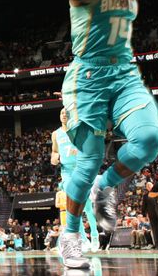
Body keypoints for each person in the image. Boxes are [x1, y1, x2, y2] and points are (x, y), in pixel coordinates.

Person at [57, 0, 158, 270]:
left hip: (124, 72)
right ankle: (70, 236)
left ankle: (107, 185)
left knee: (148, 138)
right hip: (87, 75)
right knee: (87, 161)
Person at [51, 108, 99, 253]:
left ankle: (95, 236)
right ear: (59, 117)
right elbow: (54, 151)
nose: (64, 115)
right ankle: (83, 239)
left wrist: (79, 150)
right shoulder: (56, 134)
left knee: (88, 207)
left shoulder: (77, 129)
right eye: (62, 113)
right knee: (73, 208)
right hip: (67, 173)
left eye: (66, 113)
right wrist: (54, 158)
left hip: (80, 169)